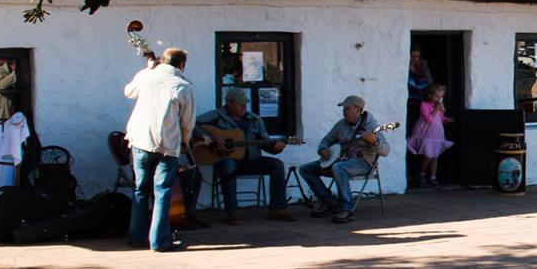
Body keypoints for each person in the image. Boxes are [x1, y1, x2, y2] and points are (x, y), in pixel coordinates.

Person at [123, 46, 195, 252]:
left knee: (140, 189)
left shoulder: (147, 77)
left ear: (162, 61)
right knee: (162, 191)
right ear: (182, 65)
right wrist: (185, 141)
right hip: (167, 144)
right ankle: (159, 241)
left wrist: (147, 70)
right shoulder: (184, 86)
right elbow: (187, 122)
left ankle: (137, 236)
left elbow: (128, 91)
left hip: (140, 141)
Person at [196, 87, 295, 223]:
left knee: (276, 165)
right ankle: (232, 212)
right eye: (239, 103)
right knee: (228, 165)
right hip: (227, 161)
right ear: (229, 103)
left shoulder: (254, 120)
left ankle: (278, 209)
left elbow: (265, 144)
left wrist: (276, 148)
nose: (244, 106)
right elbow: (193, 124)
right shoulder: (216, 116)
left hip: (251, 160)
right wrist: (211, 138)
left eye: (245, 103)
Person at [299, 95, 391, 223]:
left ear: (358, 110)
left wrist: (375, 142)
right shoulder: (341, 124)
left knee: (338, 167)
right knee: (305, 169)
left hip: (364, 163)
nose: (344, 111)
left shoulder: (372, 127)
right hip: (340, 161)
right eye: (344, 109)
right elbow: (327, 140)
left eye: (347, 109)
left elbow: (386, 151)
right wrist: (323, 149)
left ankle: (346, 208)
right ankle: (328, 201)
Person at [406, 83, 455, 187]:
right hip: (426, 133)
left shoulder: (440, 106)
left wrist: (447, 120)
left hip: (436, 134)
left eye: (441, 97)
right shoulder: (424, 105)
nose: (439, 99)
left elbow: (440, 118)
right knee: (428, 156)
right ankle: (422, 174)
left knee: (435, 157)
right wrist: (436, 109)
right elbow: (428, 119)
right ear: (430, 95)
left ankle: (433, 177)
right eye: (437, 96)